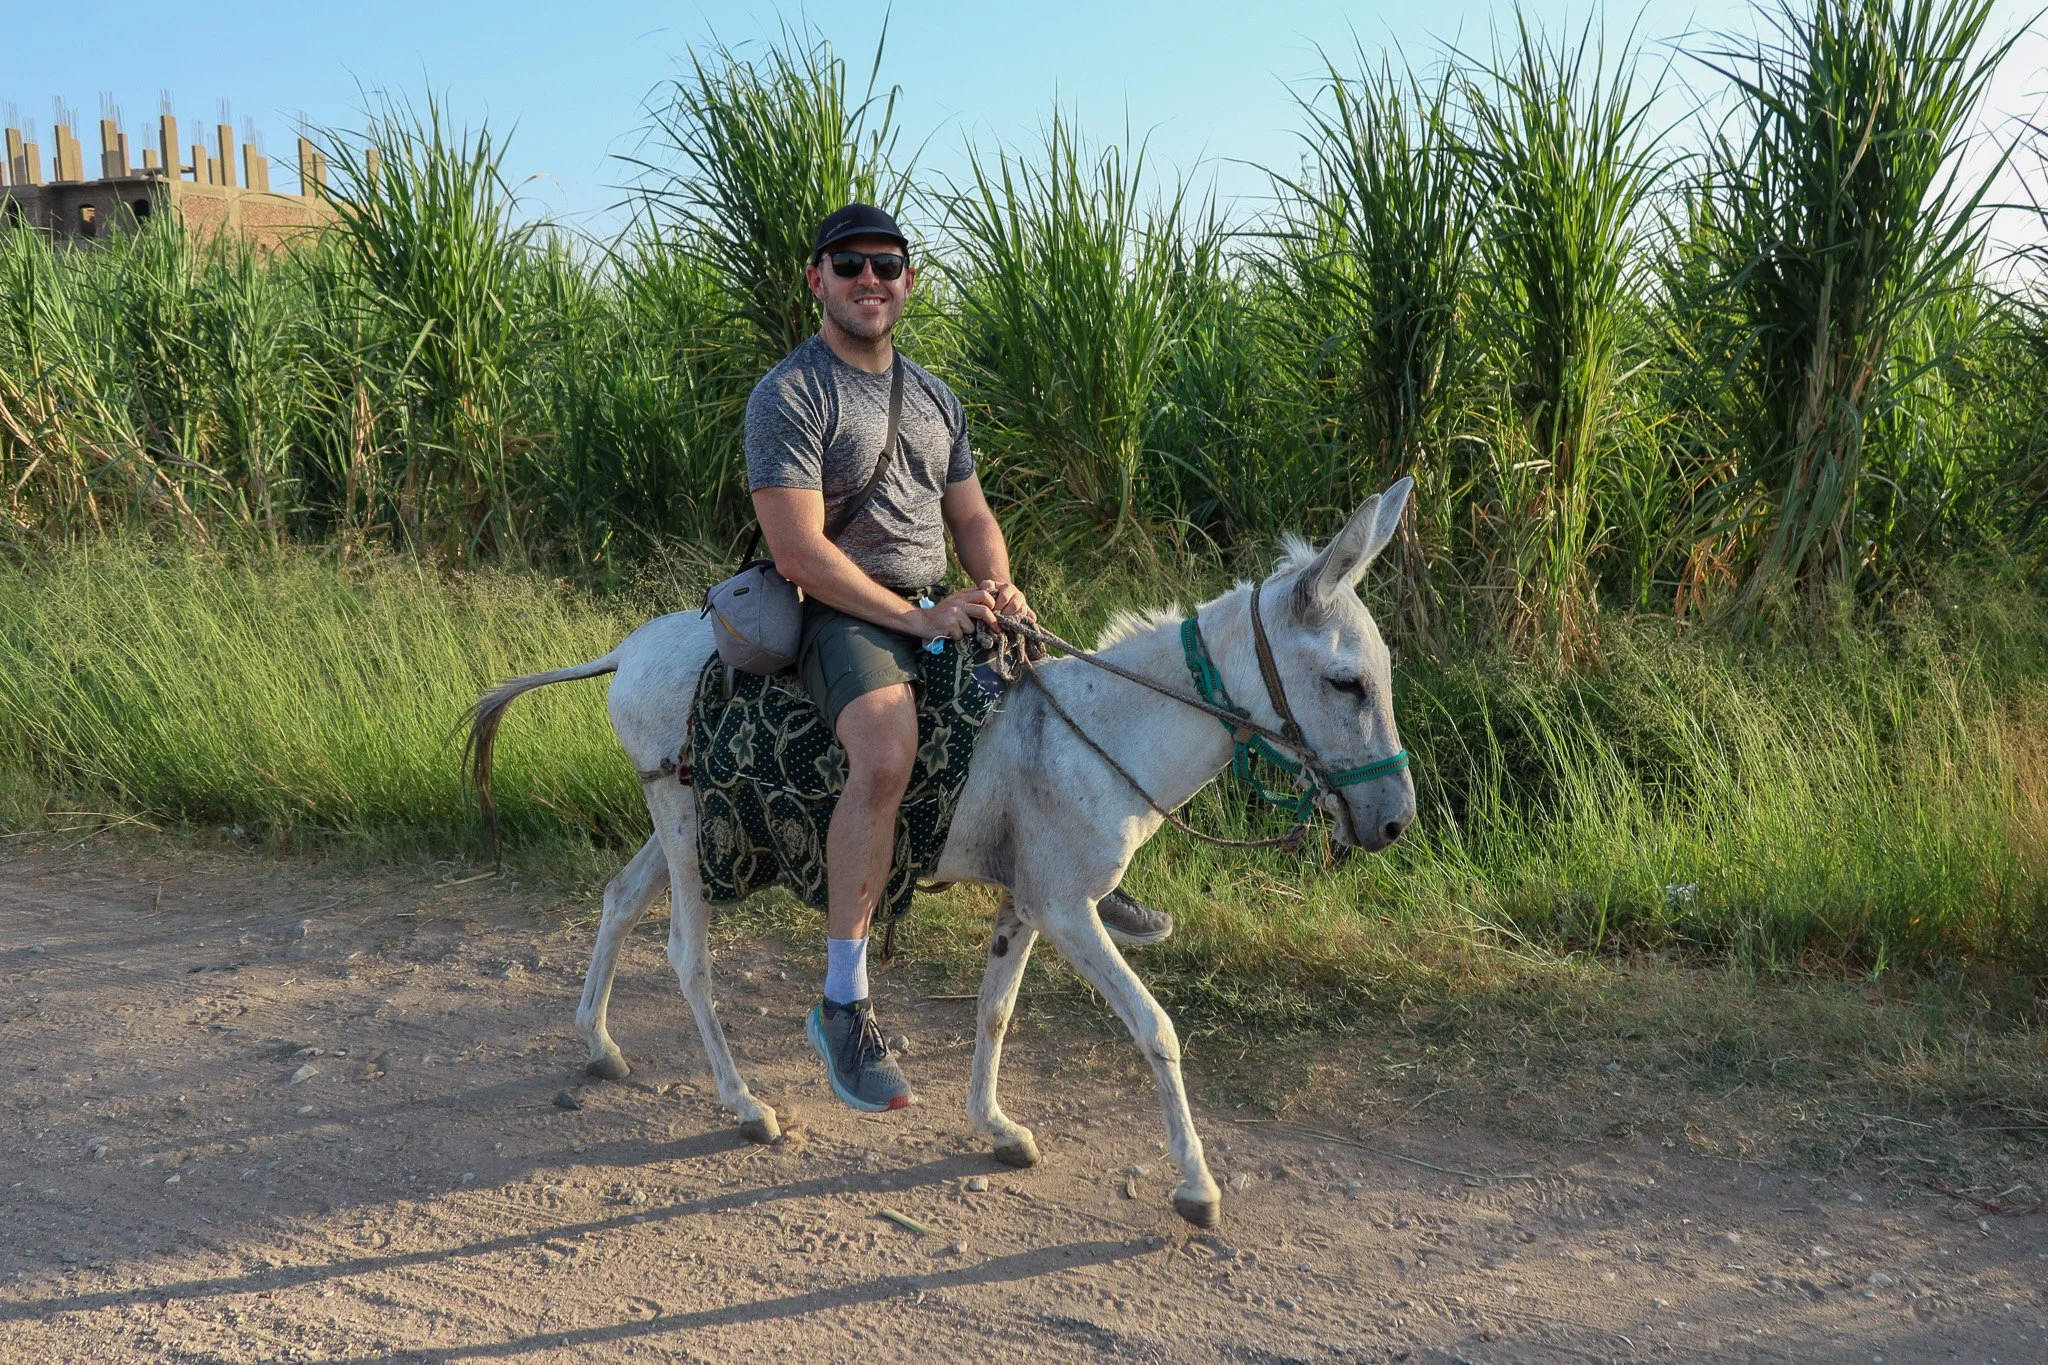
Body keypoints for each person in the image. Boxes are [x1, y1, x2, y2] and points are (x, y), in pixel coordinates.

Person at [745, 203, 1173, 1113]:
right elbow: (799, 552)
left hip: (936, 605)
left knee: (1064, 701)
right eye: (850, 265)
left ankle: (1079, 877)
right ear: (816, 279)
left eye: (887, 266)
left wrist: (999, 587)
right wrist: (920, 615)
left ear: (908, 283)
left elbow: (971, 519)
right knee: (887, 748)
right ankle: (844, 999)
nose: (870, 281)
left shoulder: (936, 397)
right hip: (841, 612)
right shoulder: (790, 395)